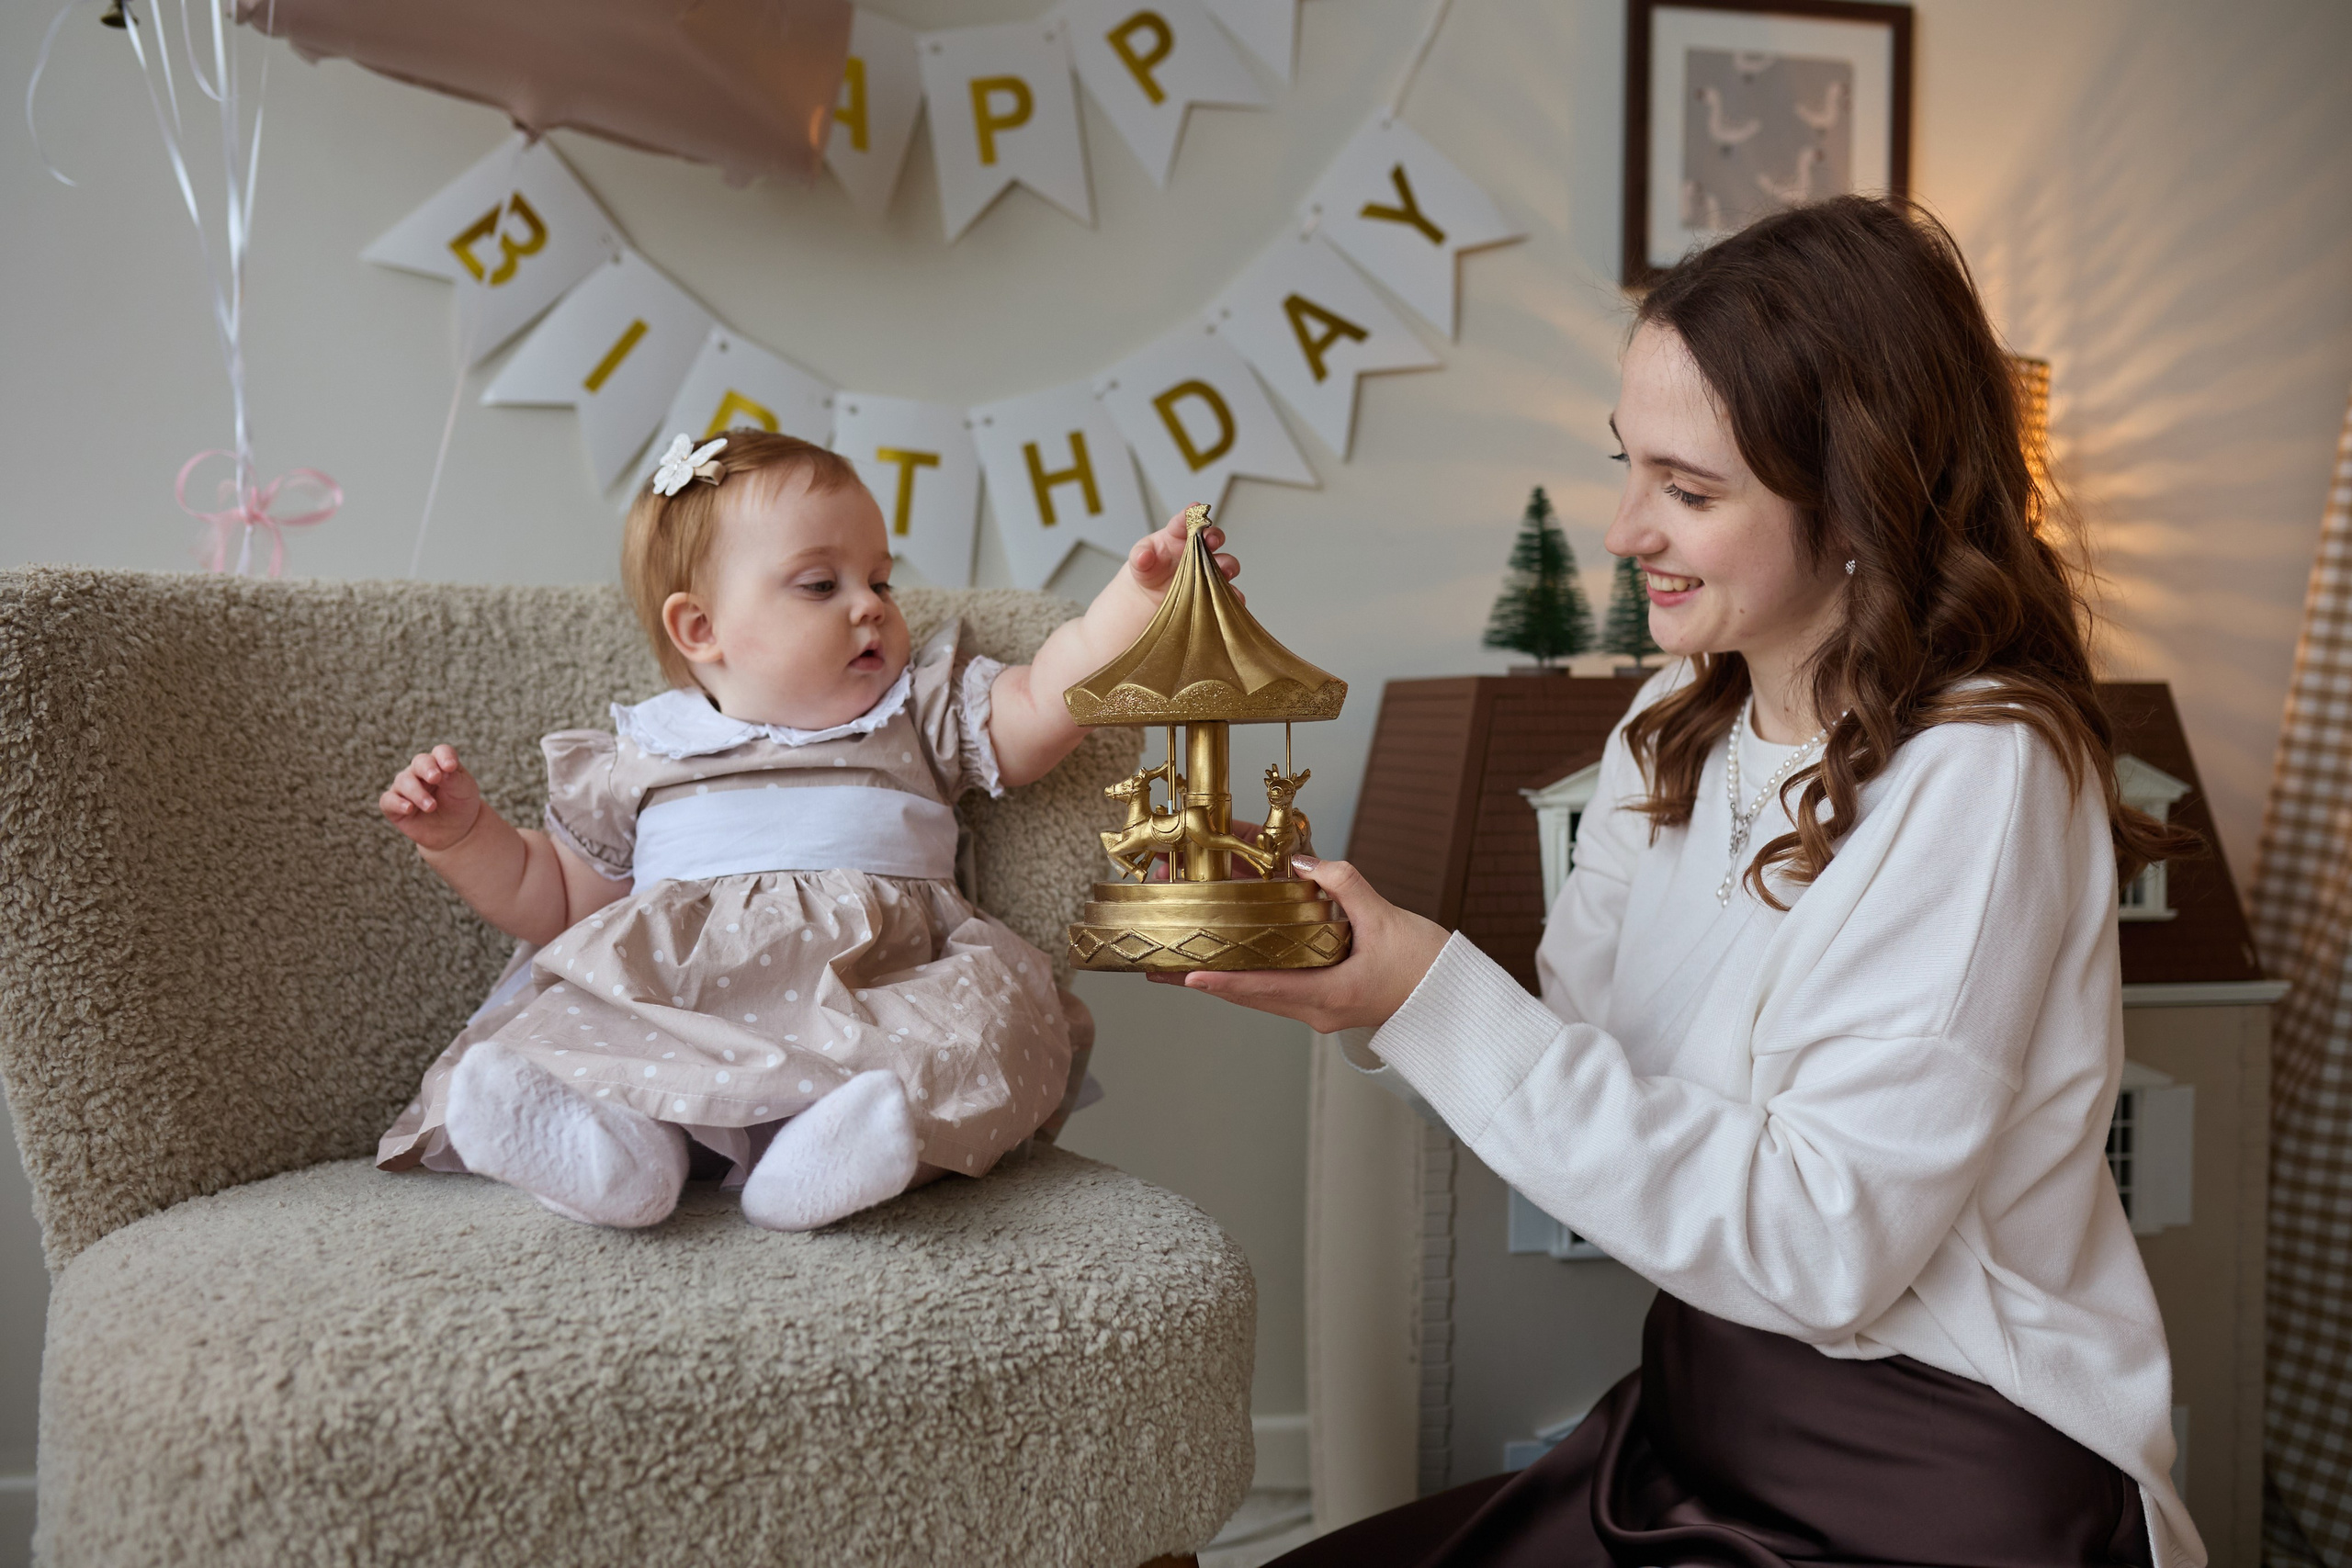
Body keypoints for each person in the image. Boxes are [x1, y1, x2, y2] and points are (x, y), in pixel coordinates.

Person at [1165, 197, 2205, 1567]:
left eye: (1690, 491)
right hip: (1701, 1414)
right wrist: (1367, 983)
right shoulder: (1674, 722)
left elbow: (1825, 1249)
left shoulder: (1985, 771)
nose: (1622, 530)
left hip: (1934, 1467)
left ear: (1860, 499)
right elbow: (1579, 1075)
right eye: (1629, 466)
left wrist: (1429, 991)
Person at [377, 429, 1241, 1234]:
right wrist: (465, 836)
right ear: (700, 628)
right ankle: (621, 1153)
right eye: (823, 585)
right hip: (677, 1003)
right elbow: (561, 899)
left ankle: (832, 1157)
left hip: (880, 994)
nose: (871, 607)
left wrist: (1140, 604)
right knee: (589, 1032)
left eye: (881, 581)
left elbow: (1049, 695)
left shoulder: (919, 712)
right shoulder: (643, 752)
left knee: (983, 1032)